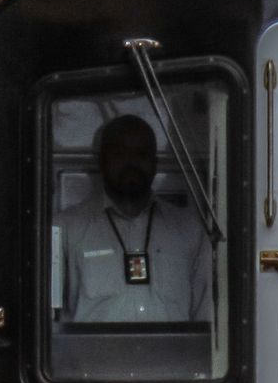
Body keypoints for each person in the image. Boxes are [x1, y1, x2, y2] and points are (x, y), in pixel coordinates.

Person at [57, 114, 212, 324]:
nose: (131, 162)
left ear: (155, 164)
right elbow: (50, 321)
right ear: (102, 161)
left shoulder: (191, 228)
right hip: (93, 357)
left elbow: (205, 319)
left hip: (173, 357)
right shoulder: (65, 229)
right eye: (120, 153)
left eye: (142, 153)